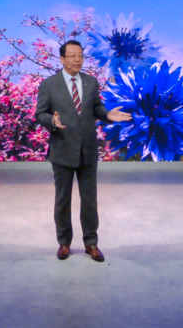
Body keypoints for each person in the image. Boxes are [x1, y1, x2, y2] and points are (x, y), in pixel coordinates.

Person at [34, 40, 132, 262]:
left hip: (87, 150)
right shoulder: (49, 85)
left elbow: (96, 108)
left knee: (89, 200)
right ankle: (64, 243)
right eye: (72, 56)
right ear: (62, 59)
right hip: (62, 149)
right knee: (63, 199)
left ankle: (91, 243)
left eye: (80, 55)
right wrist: (51, 120)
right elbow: (40, 114)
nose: (78, 59)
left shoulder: (90, 82)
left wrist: (107, 115)